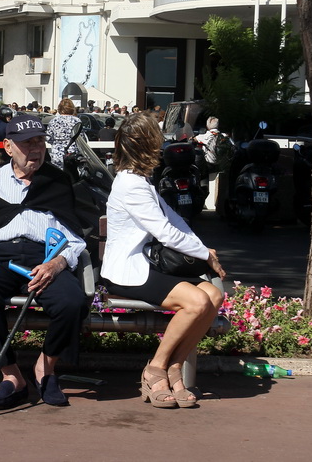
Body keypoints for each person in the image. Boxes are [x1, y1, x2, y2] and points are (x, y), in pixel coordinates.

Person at [100, 112, 226, 409]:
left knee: (214, 295)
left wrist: (204, 249)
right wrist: (204, 254)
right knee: (197, 302)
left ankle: (174, 366)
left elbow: (175, 221)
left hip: (144, 264)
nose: (159, 148)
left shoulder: (141, 181)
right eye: (154, 141)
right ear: (141, 145)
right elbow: (165, 232)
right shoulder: (130, 184)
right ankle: (155, 368)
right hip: (126, 271)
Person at [0, 114, 89, 410]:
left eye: (39, 141)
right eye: (26, 143)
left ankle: (45, 370)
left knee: (72, 302)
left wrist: (57, 264)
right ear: (8, 147)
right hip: (0, 256)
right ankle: (12, 377)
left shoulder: (57, 180)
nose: (36, 149)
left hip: (45, 256)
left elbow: (75, 238)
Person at [45, 98, 80, 169]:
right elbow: (81, 138)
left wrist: (57, 142)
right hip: (72, 153)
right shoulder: (77, 121)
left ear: (60, 108)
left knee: (58, 175)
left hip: (57, 152)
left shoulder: (53, 121)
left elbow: (48, 138)